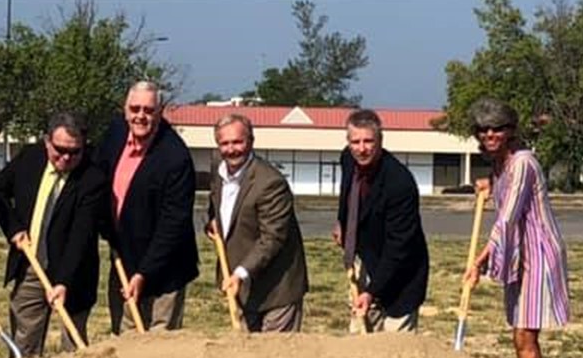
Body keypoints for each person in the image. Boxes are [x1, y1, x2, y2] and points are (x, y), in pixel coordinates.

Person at [0, 111, 105, 358]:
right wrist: (13, 227)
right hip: (31, 267)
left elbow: (81, 236)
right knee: (24, 346)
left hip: (74, 275)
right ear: (47, 142)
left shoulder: (92, 178)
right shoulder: (30, 158)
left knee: (72, 352)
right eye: (60, 150)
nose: (66, 159)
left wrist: (63, 281)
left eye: (75, 153)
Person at [464, 98, 570, 358]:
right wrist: (489, 183)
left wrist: (479, 260)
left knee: (524, 334)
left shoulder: (523, 163)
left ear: (510, 131)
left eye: (497, 129)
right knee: (518, 332)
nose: (490, 135)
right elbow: (503, 189)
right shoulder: (501, 165)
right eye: (483, 130)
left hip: (538, 255)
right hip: (517, 254)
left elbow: (507, 218)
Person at [95, 80, 199, 333]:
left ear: (160, 111)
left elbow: (172, 225)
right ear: (125, 108)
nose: (140, 116)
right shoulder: (115, 133)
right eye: (135, 108)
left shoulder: (175, 158)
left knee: (159, 347)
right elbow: (96, 178)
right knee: (125, 337)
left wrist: (144, 273)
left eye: (148, 110)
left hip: (166, 267)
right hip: (124, 257)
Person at [205, 113, 308, 332]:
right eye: (225, 143)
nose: (231, 149)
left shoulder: (270, 183)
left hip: (277, 289)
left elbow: (272, 238)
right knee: (246, 356)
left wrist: (241, 272)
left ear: (251, 141)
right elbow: (217, 204)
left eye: (238, 142)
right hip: (242, 287)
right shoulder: (218, 168)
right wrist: (212, 222)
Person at [332, 108, 430, 332]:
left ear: (380, 141)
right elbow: (347, 193)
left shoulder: (399, 183)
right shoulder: (348, 158)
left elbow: (399, 246)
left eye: (368, 141)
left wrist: (372, 291)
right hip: (366, 259)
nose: (362, 148)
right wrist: (342, 222)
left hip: (402, 274)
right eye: (355, 141)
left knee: (395, 347)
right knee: (360, 339)